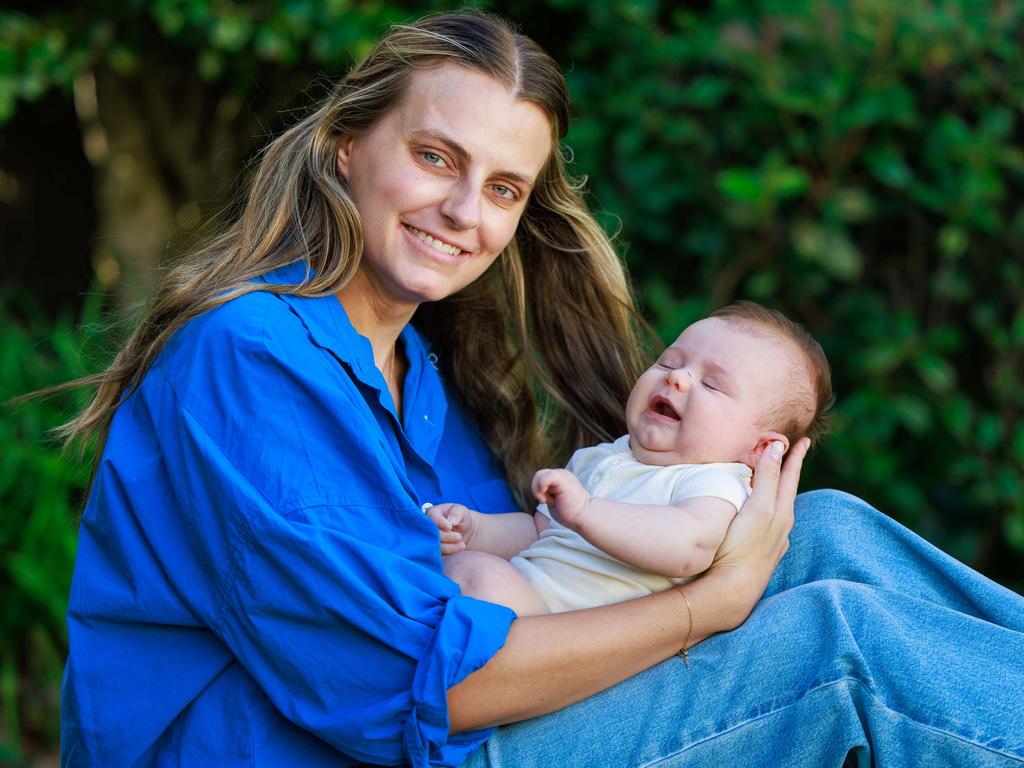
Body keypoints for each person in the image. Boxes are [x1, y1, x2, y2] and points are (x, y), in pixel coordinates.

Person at [55, 10, 1024, 768]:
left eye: (504, 188)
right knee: (838, 650)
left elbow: (534, 580)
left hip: (450, 733)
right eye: (436, 157)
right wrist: (711, 603)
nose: (462, 212)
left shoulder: (424, 375)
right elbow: (430, 685)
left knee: (828, 534)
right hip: (315, 754)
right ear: (345, 146)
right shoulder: (249, 358)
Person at [427, 302, 833, 618]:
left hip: (574, 635)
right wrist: (475, 529)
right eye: (669, 362)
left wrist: (587, 512)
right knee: (468, 565)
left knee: (479, 579)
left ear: (760, 450)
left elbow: (689, 544)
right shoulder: (605, 458)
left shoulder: (714, 482)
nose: (677, 378)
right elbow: (539, 532)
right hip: (530, 606)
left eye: (711, 383)